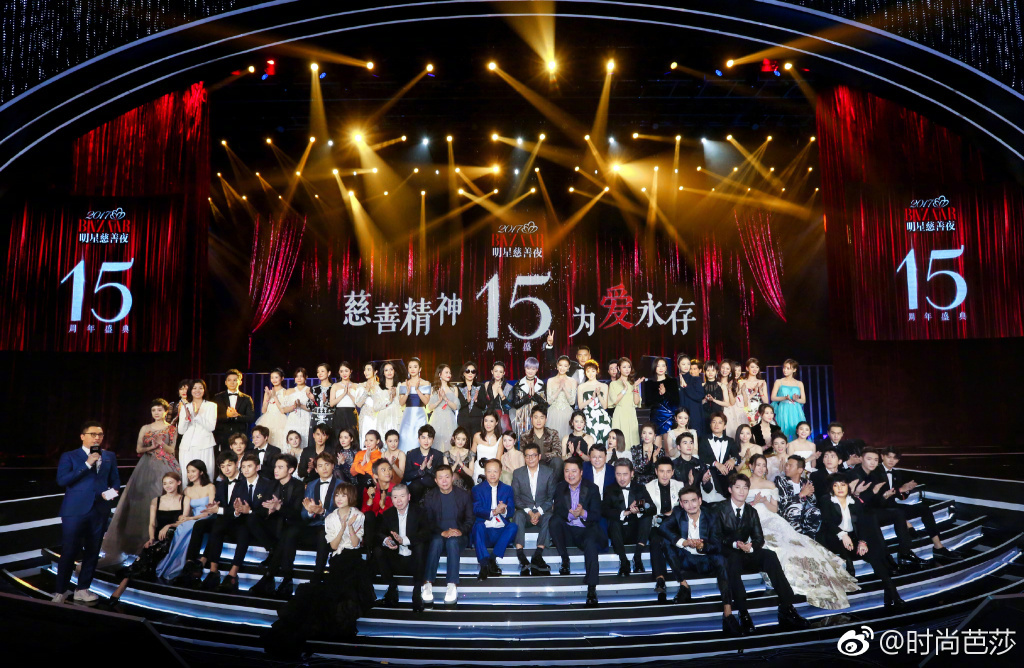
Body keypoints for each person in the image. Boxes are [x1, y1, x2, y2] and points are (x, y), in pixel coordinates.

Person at [747, 455, 857, 610]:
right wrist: (754, 502)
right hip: (751, 519)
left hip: (772, 518)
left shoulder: (770, 485)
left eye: (763, 465)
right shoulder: (745, 483)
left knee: (794, 543)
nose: (761, 468)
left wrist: (764, 501)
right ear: (751, 466)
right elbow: (738, 506)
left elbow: (774, 509)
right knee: (775, 545)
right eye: (758, 465)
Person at [710, 474, 810, 633]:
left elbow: (759, 538)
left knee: (769, 556)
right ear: (730, 489)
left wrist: (751, 547)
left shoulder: (751, 511)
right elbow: (715, 537)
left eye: (745, 488)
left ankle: (787, 607)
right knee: (733, 560)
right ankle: (743, 612)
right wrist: (735, 544)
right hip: (726, 552)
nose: (742, 491)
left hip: (745, 551)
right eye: (737, 487)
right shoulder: (718, 509)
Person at [100, 399, 180, 565]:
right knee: (144, 502)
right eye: (154, 410)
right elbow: (138, 449)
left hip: (166, 465)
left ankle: (163, 542)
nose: (156, 413)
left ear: (166, 411)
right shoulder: (145, 428)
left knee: (163, 499)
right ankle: (141, 542)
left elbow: (172, 449)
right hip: (147, 465)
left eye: (159, 410)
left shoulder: (172, 428)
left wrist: (162, 444)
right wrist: (151, 447)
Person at [53, 421, 122, 604]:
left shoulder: (109, 456)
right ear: (82, 436)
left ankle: (82, 589)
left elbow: (115, 482)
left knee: (93, 551)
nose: (97, 438)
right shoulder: (70, 456)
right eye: (93, 434)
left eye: (100, 435)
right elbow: (63, 480)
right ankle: (60, 590)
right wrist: (87, 463)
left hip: (99, 510)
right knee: (69, 550)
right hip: (74, 510)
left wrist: (109, 494)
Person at [656, 487, 736, 628]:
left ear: (700, 500)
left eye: (693, 500)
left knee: (721, 558)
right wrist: (683, 542)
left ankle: (728, 612)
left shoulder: (711, 516)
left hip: (706, 560)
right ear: (681, 504)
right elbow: (663, 528)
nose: (690, 505)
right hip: (686, 559)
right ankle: (683, 585)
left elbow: (718, 544)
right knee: (664, 541)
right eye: (686, 502)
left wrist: (702, 546)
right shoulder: (678, 513)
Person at [818, 476, 904, 608]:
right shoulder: (826, 500)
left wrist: (863, 541)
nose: (840, 488)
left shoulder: (855, 501)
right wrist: (842, 534)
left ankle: (892, 593)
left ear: (848, 487)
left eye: (843, 485)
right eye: (836, 485)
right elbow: (828, 522)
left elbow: (862, 524)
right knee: (840, 542)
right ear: (831, 488)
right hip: (833, 537)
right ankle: (849, 566)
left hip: (853, 538)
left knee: (875, 556)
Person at [199, 452, 276, 593]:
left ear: (257, 467)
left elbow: (267, 510)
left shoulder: (268, 484)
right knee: (220, 526)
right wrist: (235, 511)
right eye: (244, 467)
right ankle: (214, 571)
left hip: (261, 524)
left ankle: (232, 573)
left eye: (249, 466)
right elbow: (234, 508)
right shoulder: (239, 485)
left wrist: (249, 511)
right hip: (241, 521)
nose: (246, 470)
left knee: (243, 527)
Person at [108, 472, 188, 603]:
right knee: (149, 548)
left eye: (171, 482)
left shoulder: (185, 499)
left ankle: (121, 588)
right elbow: (152, 524)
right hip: (158, 537)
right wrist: (151, 538)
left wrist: (168, 525)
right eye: (165, 483)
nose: (167, 486)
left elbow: (183, 521)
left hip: (176, 536)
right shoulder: (156, 501)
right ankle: (122, 587)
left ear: (178, 483)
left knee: (151, 552)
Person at [875, 446, 962, 561]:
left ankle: (938, 546)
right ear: (882, 456)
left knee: (925, 509)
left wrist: (907, 490)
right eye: (889, 457)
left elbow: (900, 497)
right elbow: (878, 496)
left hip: (892, 505)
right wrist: (900, 489)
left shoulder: (896, 473)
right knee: (899, 513)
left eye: (895, 458)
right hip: (879, 507)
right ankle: (905, 551)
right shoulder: (875, 471)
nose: (891, 460)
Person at [250, 453, 307, 596]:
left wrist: (279, 507)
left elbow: (297, 514)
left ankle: (271, 576)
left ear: (291, 470)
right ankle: (273, 550)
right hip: (276, 524)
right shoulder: (271, 484)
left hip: (293, 524)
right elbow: (262, 508)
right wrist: (269, 511)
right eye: (276, 467)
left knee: (289, 533)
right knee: (252, 518)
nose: (276, 470)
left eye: (280, 467)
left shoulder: (298, 486)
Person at [550, 456, 602, 607]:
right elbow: (558, 510)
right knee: (554, 521)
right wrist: (570, 515)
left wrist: (582, 513)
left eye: (574, 471)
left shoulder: (592, 488)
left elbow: (597, 515)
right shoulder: (560, 487)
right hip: (568, 529)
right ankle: (565, 560)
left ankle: (591, 588)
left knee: (591, 544)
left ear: (581, 472)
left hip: (585, 530)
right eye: (567, 471)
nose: (570, 475)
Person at [156, 460, 218, 581]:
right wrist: (174, 523)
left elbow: (210, 511)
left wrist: (191, 518)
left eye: (193, 471)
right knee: (182, 527)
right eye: (188, 471)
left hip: (208, 518)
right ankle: (178, 563)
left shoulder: (210, 487)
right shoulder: (187, 490)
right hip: (192, 519)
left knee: (190, 525)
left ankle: (186, 563)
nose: (190, 474)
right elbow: (186, 513)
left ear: (201, 472)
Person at [422, 465, 474, 606]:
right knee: (436, 541)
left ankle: (452, 585)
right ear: (436, 480)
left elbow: (470, 520)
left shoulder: (464, 495)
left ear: (452, 478)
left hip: (459, 536)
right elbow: (427, 522)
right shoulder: (430, 497)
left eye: (447, 477)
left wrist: (460, 531)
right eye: (440, 478)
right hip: (438, 535)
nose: (444, 481)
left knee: (452, 542)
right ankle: (427, 583)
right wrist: (442, 532)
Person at [373, 484, 429, 611]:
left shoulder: (419, 512)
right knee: (377, 550)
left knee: (420, 546)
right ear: (391, 499)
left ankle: (417, 590)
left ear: (409, 497)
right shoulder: (388, 514)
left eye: (402, 496)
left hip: (414, 559)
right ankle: (392, 586)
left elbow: (426, 533)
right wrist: (387, 540)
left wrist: (405, 540)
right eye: (395, 497)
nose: (398, 500)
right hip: (396, 558)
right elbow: (378, 533)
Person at [288, 452, 339, 584]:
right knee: (290, 533)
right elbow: (304, 515)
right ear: (316, 469)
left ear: (333, 466)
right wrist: (310, 512)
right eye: (320, 466)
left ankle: (317, 576)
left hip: (332, 528)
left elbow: (342, 514)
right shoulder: (311, 485)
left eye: (327, 464)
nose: (324, 468)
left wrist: (323, 511)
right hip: (312, 526)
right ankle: (286, 576)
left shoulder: (341, 485)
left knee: (323, 534)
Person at [603, 459, 654, 576]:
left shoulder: (639, 488)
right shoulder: (610, 489)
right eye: (618, 474)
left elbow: (652, 508)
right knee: (613, 520)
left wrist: (639, 509)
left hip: (636, 532)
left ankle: (637, 557)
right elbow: (604, 510)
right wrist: (623, 513)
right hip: (618, 532)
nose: (621, 478)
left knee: (647, 517)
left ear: (632, 473)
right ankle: (624, 561)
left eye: (625, 474)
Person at [511, 442, 555, 576]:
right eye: (527, 456)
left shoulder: (549, 472)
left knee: (549, 516)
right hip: (525, 512)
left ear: (539, 456)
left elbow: (550, 498)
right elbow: (516, 498)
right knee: (518, 515)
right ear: (524, 457)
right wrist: (530, 512)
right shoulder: (518, 473)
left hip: (542, 511)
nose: (530, 459)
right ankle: (520, 554)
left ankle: (538, 553)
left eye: (533, 455)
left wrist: (539, 512)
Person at [646, 457, 685, 598]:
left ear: (673, 472)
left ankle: (681, 578)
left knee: (667, 539)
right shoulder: (648, 487)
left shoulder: (679, 485)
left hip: (675, 524)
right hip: (656, 524)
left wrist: (671, 513)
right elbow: (648, 509)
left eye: (668, 471)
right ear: (656, 471)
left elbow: (684, 507)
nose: (665, 475)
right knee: (656, 539)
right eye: (662, 471)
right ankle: (660, 579)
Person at [472, 460, 517, 580]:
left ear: (500, 472)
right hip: (485, 531)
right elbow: (476, 509)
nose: (492, 474)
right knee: (477, 526)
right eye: (489, 471)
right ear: (485, 472)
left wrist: (504, 510)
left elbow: (511, 510)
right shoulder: (477, 489)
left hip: (500, 531)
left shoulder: (507, 489)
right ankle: (484, 564)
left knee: (513, 526)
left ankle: (492, 558)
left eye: (495, 471)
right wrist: (493, 512)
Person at [323, 483, 366, 584]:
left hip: (353, 554)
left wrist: (350, 527)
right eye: (337, 495)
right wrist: (342, 530)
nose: (339, 499)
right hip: (338, 554)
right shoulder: (330, 518)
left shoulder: (359, 516)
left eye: (343, 495)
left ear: (351, 496)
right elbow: (334, 546)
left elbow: (355, 544)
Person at [178, 379, 217, 476]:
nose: (197, 391)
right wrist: (186, 419)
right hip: (187, 447)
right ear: (190, 390)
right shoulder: (185, 407)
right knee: (187, 476)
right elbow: (181, 431)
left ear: (204, 390)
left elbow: (211, 427)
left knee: (205, 474)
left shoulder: (211, 406)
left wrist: (197, 415)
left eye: (200, 388)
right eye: (194, 388)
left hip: (204, 445)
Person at [775, 455, 821, 537]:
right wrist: (801, 494)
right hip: (787, 514)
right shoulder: (781, 480)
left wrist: (810, 495)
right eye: (786, 465)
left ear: (800, 470)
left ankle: (809, 538)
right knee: (795, 509)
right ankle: (798, 538)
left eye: (790, 466)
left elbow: (813, 503)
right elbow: (783, 503)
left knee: (816, 511)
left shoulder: (806, 482)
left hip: (802, 513)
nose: (787, 467)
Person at [698, 413, 740, 497]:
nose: (716, 425)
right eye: (714, 422)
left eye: (720, 422)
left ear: (724, 426)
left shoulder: (730, 440)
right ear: (710, 425)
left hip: (726, 473)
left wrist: (733, 460)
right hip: (711, 473)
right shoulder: (703, 439)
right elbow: (702, 457)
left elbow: (737, 457)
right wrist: (716, 463)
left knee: (734, 480)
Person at [671, 432, 720, 503]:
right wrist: (688, 483)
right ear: (679, 447)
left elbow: (709, 490)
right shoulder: (673, 465)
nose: (689, 446)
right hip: (680, 502)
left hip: (697, 501)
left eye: (691, 443)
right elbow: (672, 490)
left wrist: (705, 482)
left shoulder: (699, 463)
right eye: (685, 443)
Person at [213, 369, 255, 451]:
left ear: (240, 382)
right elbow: (213, 417)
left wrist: (237, 416)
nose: (232, 383)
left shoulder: (247, 398)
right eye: (229, 380)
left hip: (240, 436)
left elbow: (251, 417)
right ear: (225, 382)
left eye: (235, 380)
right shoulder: (217, 397)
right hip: (222, 436)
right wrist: (226, 416)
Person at [519, 406, 563, 479]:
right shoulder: (525, 436)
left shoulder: (553, 433)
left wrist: (542, 456)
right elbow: (523, 454)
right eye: (536, 417)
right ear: (531, 419)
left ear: (545, 419)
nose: (538, 421)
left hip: (549, 466)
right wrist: (535, 459)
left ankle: (552, 484)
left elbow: (558, 452)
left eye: (541, 418)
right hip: (532, 464)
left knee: (557, 461)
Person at [398, 358, 432, 452]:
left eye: (415, 367)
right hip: (407, 415)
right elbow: (401, 403)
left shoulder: (425, 383)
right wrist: (407, 392)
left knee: (420, 436)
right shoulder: (404, 384)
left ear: (420, 369)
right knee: (405, 437)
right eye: (410, 367)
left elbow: (426, 402)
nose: (412, 369)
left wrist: (417, 390)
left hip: (420, 414)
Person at [509, 356, 548, 436]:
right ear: (525, 368)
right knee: (524, 439)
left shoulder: (541, 384)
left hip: (537, 417)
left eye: (533, 369)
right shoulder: (518, 385)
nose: (530, 371)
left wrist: (534, 395)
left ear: (537, 370)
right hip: (522, 418)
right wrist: (528, 396)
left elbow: (545, 404)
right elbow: (515, 404)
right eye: (528, 368)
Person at [361, 458, 396, 546]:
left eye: (389, 469)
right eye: (383, 470)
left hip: (387, 526)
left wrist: (383, 505)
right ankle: (368, 549)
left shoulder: (396, 490)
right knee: (369, 516)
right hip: (372, 526)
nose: (388, 472)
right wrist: (370, 499)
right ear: (376, 475)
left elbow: (395, 515)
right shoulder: (370, 489)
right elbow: (364, 513)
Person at [427, 364, 461, 453]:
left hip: (449, 418)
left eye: (449, 373)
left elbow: (456, 407)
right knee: (436, 442)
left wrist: (445, 398)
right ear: (440, 374)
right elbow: (429, 408)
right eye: (446, 372)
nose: (449, 374)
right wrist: (439, 401)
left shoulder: (453, 388)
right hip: (436, 417)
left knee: (449, 443)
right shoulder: (433, 389)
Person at [404, 424, 443, 501]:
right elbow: (407, 476)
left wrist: (430, 468)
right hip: (415, 491)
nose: (426, 441)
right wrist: (420, 470)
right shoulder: (411, 454)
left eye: (429, 438)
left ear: (433, 440)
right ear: (418, 439)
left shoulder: (438, 455)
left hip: (432, 489)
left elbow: (441, 477)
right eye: (423, 437)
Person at [771, 359, 808, 440]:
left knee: (797, 431)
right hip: (783, 409)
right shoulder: (779, 382)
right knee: (783, 432)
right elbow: (773, 397)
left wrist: (796, 399)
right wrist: (784, 398)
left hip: (795, 410)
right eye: (784, 368)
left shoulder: (799, 383)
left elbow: (803, 400)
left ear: (794, 370)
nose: (785, 370)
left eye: (788, 368)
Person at [609, 357, 641, 448]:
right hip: (620, 414)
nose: (627, 369)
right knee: (621, 440)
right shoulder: (613, 384)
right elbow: (615, 401)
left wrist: (635, 387)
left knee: (632, 440)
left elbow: (636, 402)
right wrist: (625, 389)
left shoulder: (633, 383)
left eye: (629, 367)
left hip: (631, 413)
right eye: (624, 367)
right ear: (619, 369)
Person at [578, 360, 611, 446]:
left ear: (597, 371)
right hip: (588, 417)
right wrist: (592, 398)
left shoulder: (604, 386)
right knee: (590, 443)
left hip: (601, 417)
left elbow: (605, 406)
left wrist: (599, 395)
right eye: (588, 371)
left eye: (593, 371)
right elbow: (580, 406)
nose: (591, 373)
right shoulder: (581, 387)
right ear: (585, 373)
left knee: (603, 442)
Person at [256, 368, 290, 453]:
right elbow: (263, 410)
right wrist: (267, 397)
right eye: (272, 377)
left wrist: (274, 396)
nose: (274, 380)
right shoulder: (268, 392)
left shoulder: (285, 392)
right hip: (267, 419)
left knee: (279, 442)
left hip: (280, 419)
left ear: (282, 378)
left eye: (276, 377)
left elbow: (283, 410)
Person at [643, 358, 680, 435]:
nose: (661, 368)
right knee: (656, 440)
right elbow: (648, 403)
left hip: (669, 416)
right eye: (658, 366)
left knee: (669, 440)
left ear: (666, 368)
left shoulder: (672, 382)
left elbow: (676, 401)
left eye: (663, 366)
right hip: (656, 416)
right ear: (654, 367)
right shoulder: (649, 383)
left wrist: (665, 393)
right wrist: (659, 394)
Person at [546, 356, 578, 440]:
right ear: (557, 365)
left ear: (568, 367)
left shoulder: (572, 381)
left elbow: (572, 402)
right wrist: (559, 388)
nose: (562, 368)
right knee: (552, 440)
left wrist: (564, 388)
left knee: (566, 440)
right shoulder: (550, 380)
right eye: (560, 365)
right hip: (553, 413)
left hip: (567, 414)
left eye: (565, 366)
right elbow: (549, 401)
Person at [282, 368, 313, 451]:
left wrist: (301, 405)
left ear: (306, 377)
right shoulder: (289, 391)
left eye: (301, 376)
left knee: (305, 438)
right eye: (297, 376)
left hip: (306, 418)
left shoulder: (310, 390)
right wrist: (294, 406)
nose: (299, 378)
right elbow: (284, 410)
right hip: (293, 418)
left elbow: (313, 408)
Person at [373, 362, 404, 439]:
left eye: (391, 369)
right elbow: (376, 407)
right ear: (383, 373)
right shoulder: (378, 387)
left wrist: (395, 395)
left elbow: (401, 404)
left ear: (394, 371)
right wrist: (389, 400)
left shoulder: (399, 385)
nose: (389, 372)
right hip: (383, 417)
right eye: (386, 370)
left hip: (396, 416)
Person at [677, 355, 706, 438]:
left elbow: (699, 396)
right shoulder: (675, 380)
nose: (686, 366)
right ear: (678, 365)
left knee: (695, 437)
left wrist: (686, 387)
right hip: (681, 414)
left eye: (688, 364)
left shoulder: (696, 379)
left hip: (694, 413)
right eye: (683, 364)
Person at [482, 361, 514, 432]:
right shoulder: (487, 385)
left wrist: (502, 395)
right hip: (489, 417)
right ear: (492, 372)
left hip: (502, 418)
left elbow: (509, 407)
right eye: (496, 371)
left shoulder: (508, 387)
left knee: (504, 437)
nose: (498, 374)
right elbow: (484, 403)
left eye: (500, 372)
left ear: (503, 373)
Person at [328, 361, 359, 437]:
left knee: (352, 435)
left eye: (346, 371)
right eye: (341, 371)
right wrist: (343, 393)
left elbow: (358, 403)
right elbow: (331, 403)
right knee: (338, 435)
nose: (344, 373)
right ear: (339, 372)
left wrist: (349, 394)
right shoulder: (335, 386)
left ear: (350, 371)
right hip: (339, 414)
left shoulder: (356, 386)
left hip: (351, 413)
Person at [456, 361, 485, 438]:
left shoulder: (481, 386)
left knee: (476, 442)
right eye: (467, 371)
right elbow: (456, 406)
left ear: (475, 374)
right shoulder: (458, 387)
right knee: (464, 442)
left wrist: (476, 401)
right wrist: (466, 402)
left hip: (477, 420)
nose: (470, 373)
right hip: (463, 419)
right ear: (463, 373)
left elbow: (483, 406)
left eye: (473, 371)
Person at [719, 360, 747, 438]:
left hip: (728, 411)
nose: (725, 370)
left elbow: (732, 402)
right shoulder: (716, 382)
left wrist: (729, 390)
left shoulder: (734, 384)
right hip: (717, 409)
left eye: (727, 369)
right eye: (723, 368)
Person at [472, 411, 503, 481]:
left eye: (491, 421)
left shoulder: (500, 439)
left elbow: (498, 460)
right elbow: (471, 456)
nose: (488, 424)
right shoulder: (477, 436)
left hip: (492, 473)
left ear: (496, 422)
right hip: (478, 470)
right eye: (486, 421)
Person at [739, 358, 770, 428]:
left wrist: (760, 391)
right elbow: (740, 401)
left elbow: (766, 402)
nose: (755, 369)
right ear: (747, 368)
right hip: (745, 410)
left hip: (758, 411)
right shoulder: (741, 382)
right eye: (752, 367)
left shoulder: (762, 382)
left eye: (757, 367)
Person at [355, 362, 379, 448]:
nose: (366, 372)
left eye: (369, 369)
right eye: (365, 370)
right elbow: (358, 404)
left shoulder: (380, 386)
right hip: (365, 416)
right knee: (365, 439)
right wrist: (366, 391)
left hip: (378, 416)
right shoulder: (361, 385)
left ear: (375, 371)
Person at [701, 361, 728, 433]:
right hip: (704, 416)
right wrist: (705, 399)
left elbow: (727, 404)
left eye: (713, 370)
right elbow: (698, 404)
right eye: (708, 370)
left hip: (718, 417)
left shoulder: (722, 386)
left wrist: (713, 400)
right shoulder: (701, 386)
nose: (710, 372)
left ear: (716, 372)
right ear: (705, 372)